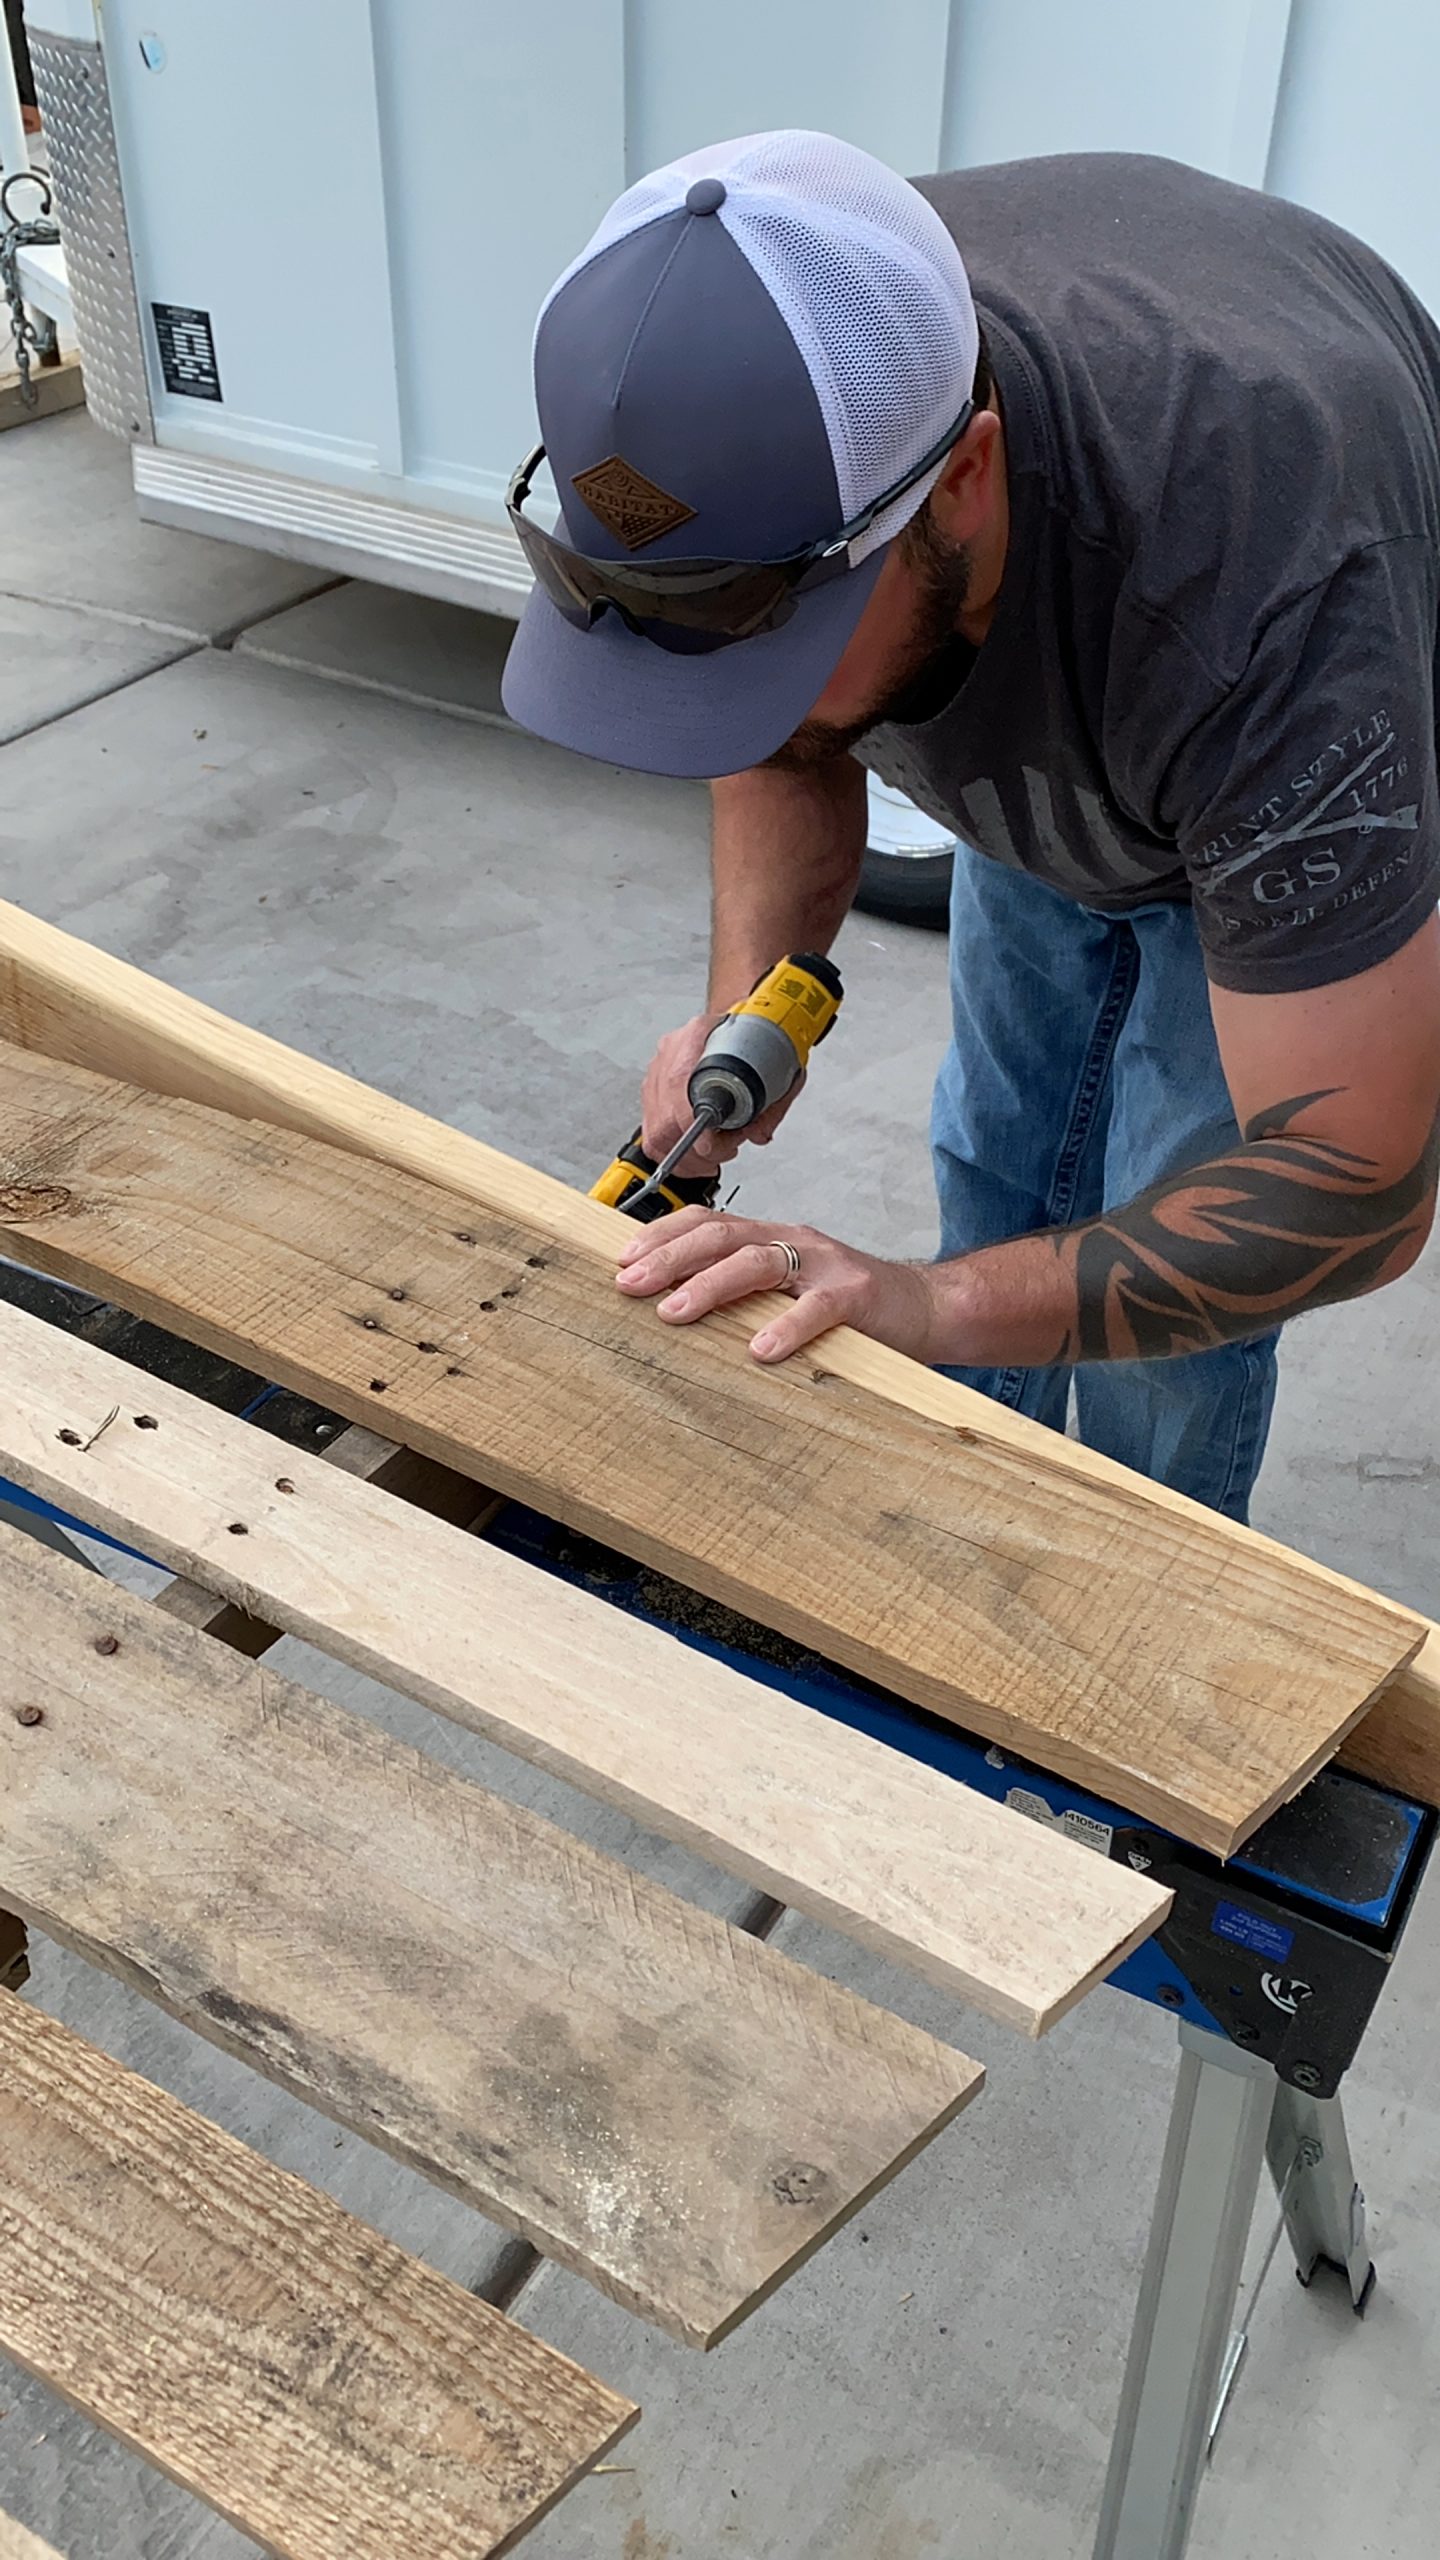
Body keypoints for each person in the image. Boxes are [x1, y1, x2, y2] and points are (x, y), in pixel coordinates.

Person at [501, 132, 1440, 1523]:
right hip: (1075, 630)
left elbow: (1348, 1188)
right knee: (1000, 1158)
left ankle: (1129, 1590)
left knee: (1175, 1251)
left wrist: (921, 1306)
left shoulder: (1269, 613)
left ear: (966, 478)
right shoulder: (811, 348)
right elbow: (763, 718)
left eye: (770, 631)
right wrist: (741, 1013)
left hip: (1265, 740)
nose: (741, 696)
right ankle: (976, 1529)